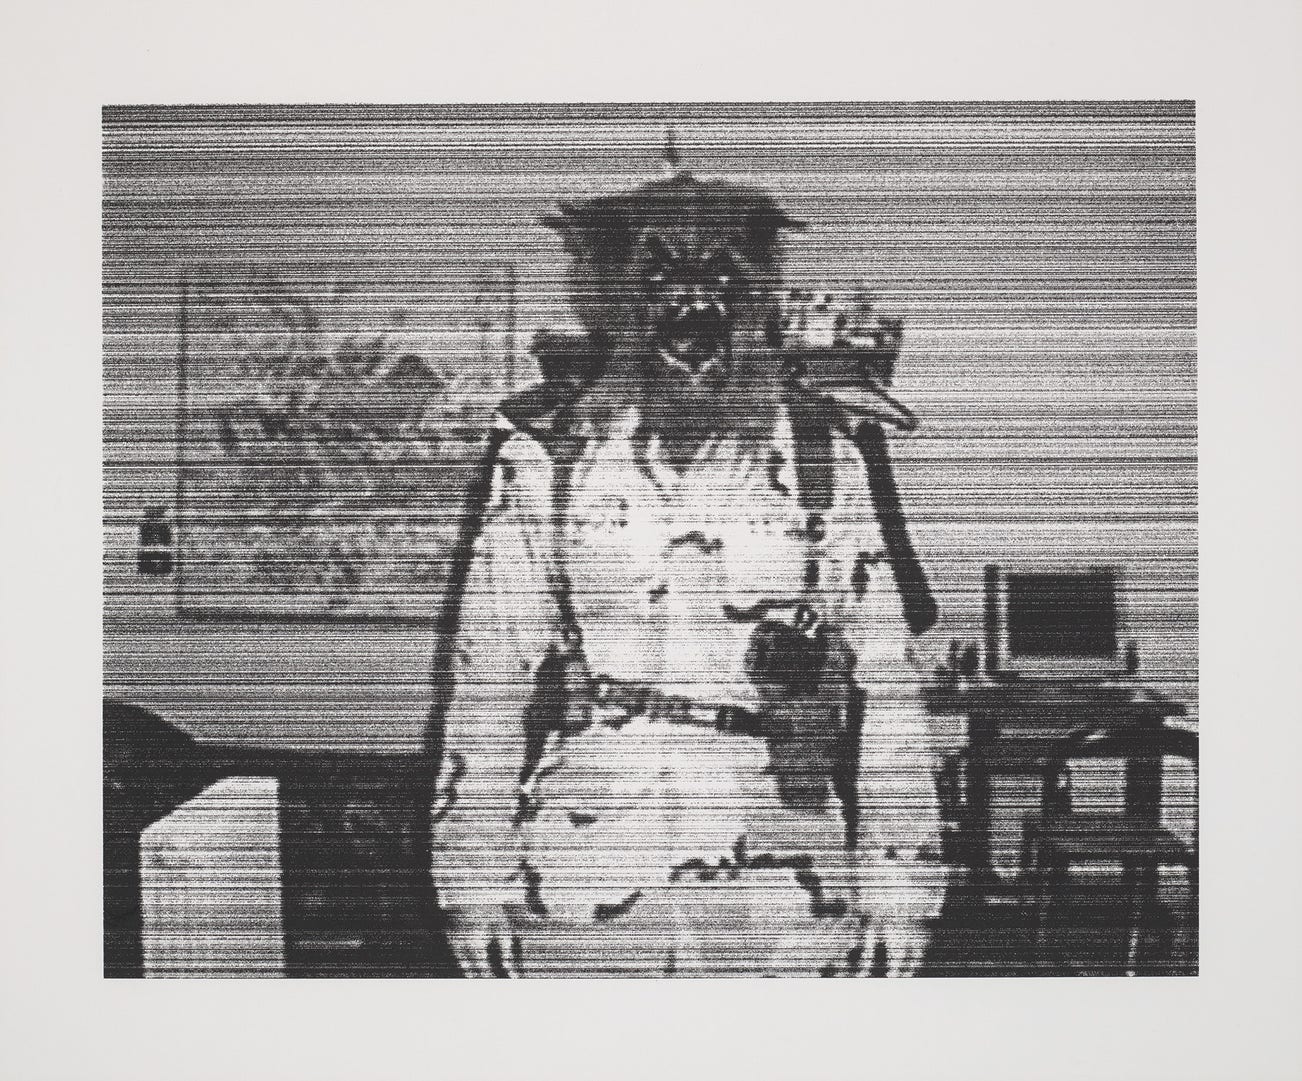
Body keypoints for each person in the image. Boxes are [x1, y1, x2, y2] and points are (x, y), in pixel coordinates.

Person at [428, 163, 949, 977]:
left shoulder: (823, 459)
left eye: (719, 279)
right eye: (663, 278)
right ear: (619, 296)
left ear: (756, 296)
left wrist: (902, 880)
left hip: (781, 870)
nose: (693, 306)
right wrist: (470, 878)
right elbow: (487, 676)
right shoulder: (546, 460)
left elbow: (888, 683)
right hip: (585, 867)